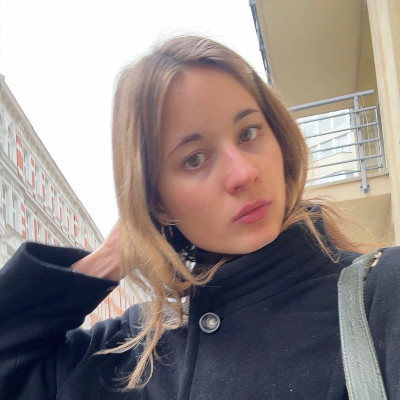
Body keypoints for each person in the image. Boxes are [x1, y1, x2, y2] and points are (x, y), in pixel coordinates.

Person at [0, 35, 400, 400]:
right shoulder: (137, 354)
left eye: (248, 133)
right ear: (157, 202)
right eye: (193, 159)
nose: (243, 173)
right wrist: (106, 261)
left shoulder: (381, 295)